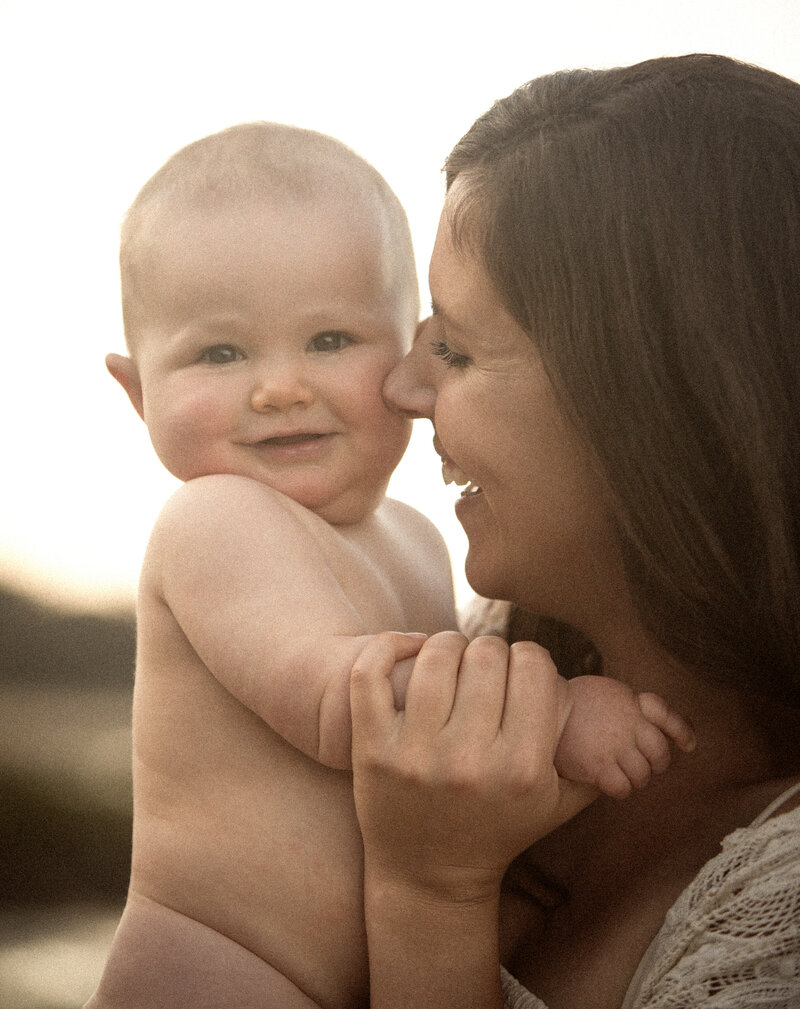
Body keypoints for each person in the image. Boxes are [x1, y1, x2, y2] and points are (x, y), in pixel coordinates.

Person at [86, 122, 691, 1009]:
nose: (279, 387)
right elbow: (347, 702)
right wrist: (558, 709)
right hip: (221, 965)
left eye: (330, 339)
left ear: (413, 352)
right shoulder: (216, 522)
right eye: (220, 352)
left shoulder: (414, 534)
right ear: (140, 394)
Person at [349, 54, 800, 1009]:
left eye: (458, 349)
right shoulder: (461, 674)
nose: (401, 387)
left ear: (654, 401)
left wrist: (428, 896)